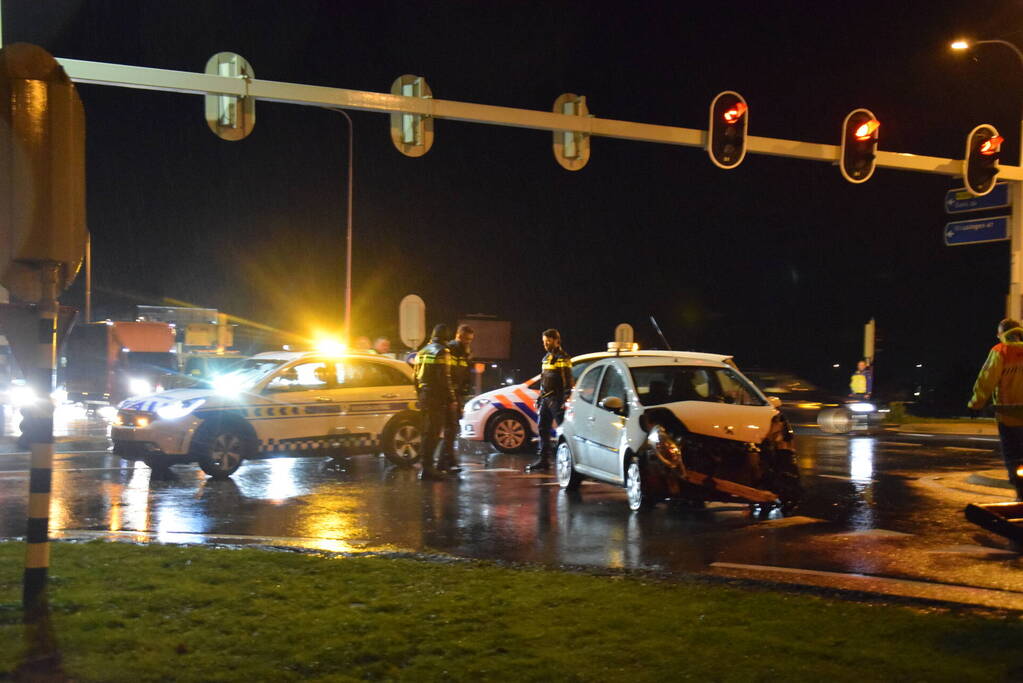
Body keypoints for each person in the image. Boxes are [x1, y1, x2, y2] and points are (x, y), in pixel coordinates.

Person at [968, 318, 1023, 501]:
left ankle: (1020, 492)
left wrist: (976, 405)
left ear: (1001, 334)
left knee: (1013, 455)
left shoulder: (1000, 351)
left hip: (1009, 416)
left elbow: (986, 381)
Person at [413, 324, 458, 481]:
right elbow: (445, 378)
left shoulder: (422, 351)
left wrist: (420, 395)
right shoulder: (442, 351)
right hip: (436, 396)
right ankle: (428, 469)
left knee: (427, 431)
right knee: (434, 432)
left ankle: (426, 466)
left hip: (424, 395)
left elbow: (415, 376)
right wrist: (452, 399)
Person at [526, 328, 573, 473]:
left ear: (556, 340)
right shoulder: (546, 358)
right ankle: (543, 460)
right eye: (544, 341)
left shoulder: (563, 358)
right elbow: (544, 379)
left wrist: (565, 398)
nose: (545, 344)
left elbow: (567, 380)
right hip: (546, 399)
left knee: (563, 430)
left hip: (557, 399)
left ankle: (571, 461)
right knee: (543, 429)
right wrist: (540, 397)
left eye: (548, 341)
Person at [439, 324, 475, 473]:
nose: (468, 342)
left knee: (452, 430)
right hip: (448, 395)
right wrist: (452, 398)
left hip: (456, 395)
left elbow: (465, 374)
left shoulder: (464, 352)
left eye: (470, 340)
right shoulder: (451, 350)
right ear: (458, 336)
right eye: (466, 339)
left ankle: (449, 461)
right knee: (450, 429)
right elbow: (448, 376)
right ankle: (444, 463)